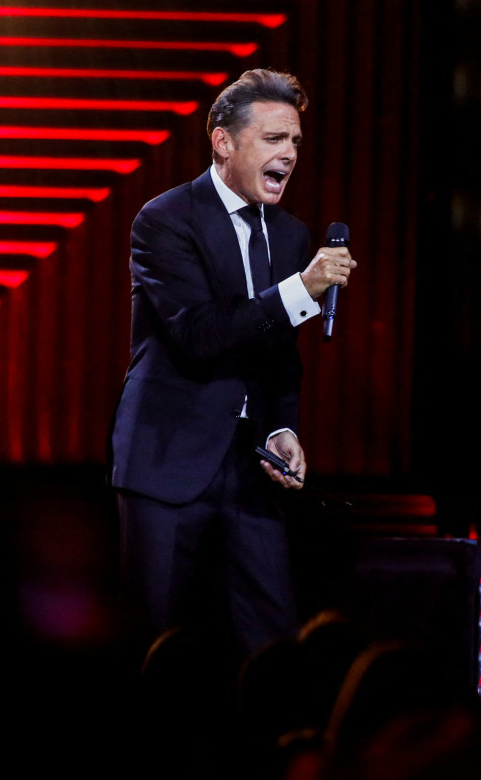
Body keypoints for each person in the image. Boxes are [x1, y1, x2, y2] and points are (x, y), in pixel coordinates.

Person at [108, 68, 357, 665]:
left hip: (249, 469)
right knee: (152, 640)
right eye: (274, 138)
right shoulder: (165, 220)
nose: (289, 153)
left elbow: (275, 354)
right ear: (223, 142)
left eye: (295, 141)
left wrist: (282, 428)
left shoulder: (291, 235)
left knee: (272, 638)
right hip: (167, 459)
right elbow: (199, 335)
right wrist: (301, 289)